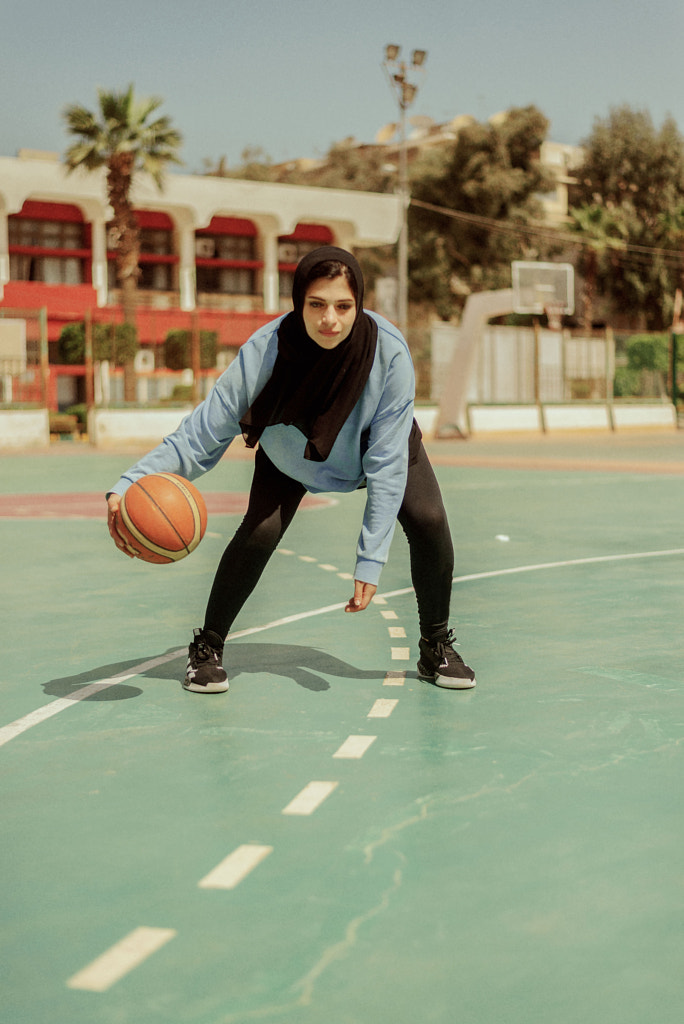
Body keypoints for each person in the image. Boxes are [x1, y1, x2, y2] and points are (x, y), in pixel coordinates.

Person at [107, 246, 475, 694]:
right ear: (299, 301)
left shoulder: (390, 354)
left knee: (430, 520)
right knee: (259, 531)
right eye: (316, 305)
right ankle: (207, 648)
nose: (330, 320)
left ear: (358, 306)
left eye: (343, 306)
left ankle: (435, 645)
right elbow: (202, 434)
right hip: (291, 455)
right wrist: (129, 483)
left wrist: (370, 559)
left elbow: (386, 463)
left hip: (376, 449)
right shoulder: (264, 351)